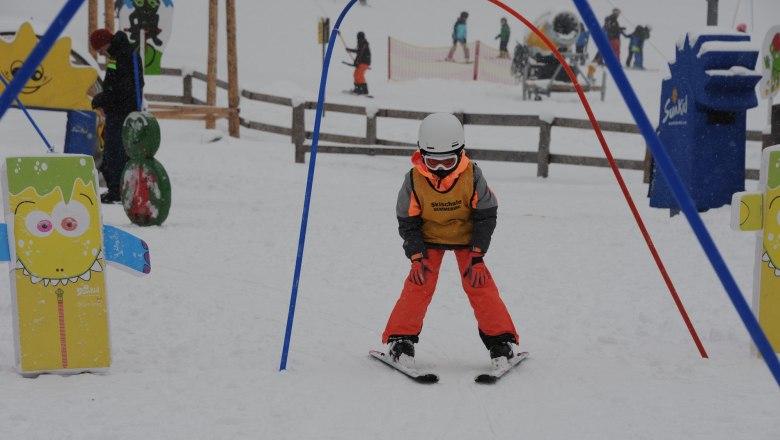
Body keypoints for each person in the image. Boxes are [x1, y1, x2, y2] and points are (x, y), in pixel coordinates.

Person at [382, 113, 520, 369]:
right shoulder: (413, 179)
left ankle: (501, 342)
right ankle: (401, 340)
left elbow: (486, 215)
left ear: (460, 152)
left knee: (480, 286)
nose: (441, 168)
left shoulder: (472, 175)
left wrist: (478, 255)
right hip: (428, 240)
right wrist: (416, 256)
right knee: (418, 285)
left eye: (448, 161)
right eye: (433, 162)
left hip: (467, 240)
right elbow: (408, 221)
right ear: (422, 154)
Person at [89, 28, 144, 204]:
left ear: (106, 43)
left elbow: (121, 89)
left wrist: (102, 99)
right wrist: (105, 101)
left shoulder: (125, 55)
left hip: (124, 112)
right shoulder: (117, 55)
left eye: (100, 49)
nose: (101, 53)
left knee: (116, 153)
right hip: (117, 110)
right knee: (113, 152)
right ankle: (117, 189)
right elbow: (112, 83)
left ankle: (118, 192)